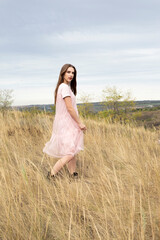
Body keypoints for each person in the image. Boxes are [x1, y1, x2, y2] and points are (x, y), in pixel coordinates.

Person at [43, 63, 87, 179]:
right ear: (63, 73)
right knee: (69, 153)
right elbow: (69, 108)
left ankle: (73, 174)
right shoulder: (64, 87)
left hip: (67, 123)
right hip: (67, 124)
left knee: (71, 150)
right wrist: (80, 123)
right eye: (68, 72)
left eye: (73, 73)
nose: (71, 75)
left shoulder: (65, 87)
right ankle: (51, 174)